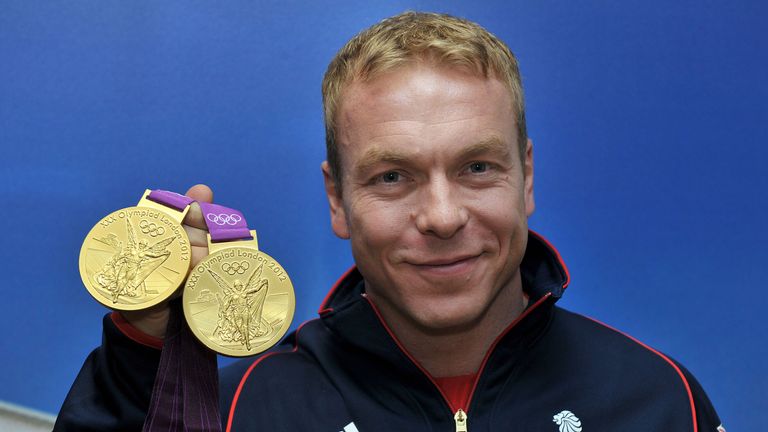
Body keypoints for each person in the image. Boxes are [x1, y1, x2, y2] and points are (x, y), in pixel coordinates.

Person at [55, 11, 723, 432]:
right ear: (338, 201)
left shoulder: (661, 400)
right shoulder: (247, 409)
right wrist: (145, 354)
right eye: (392, 177)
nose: (440, 216)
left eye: (477, 169)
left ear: (527, 178)